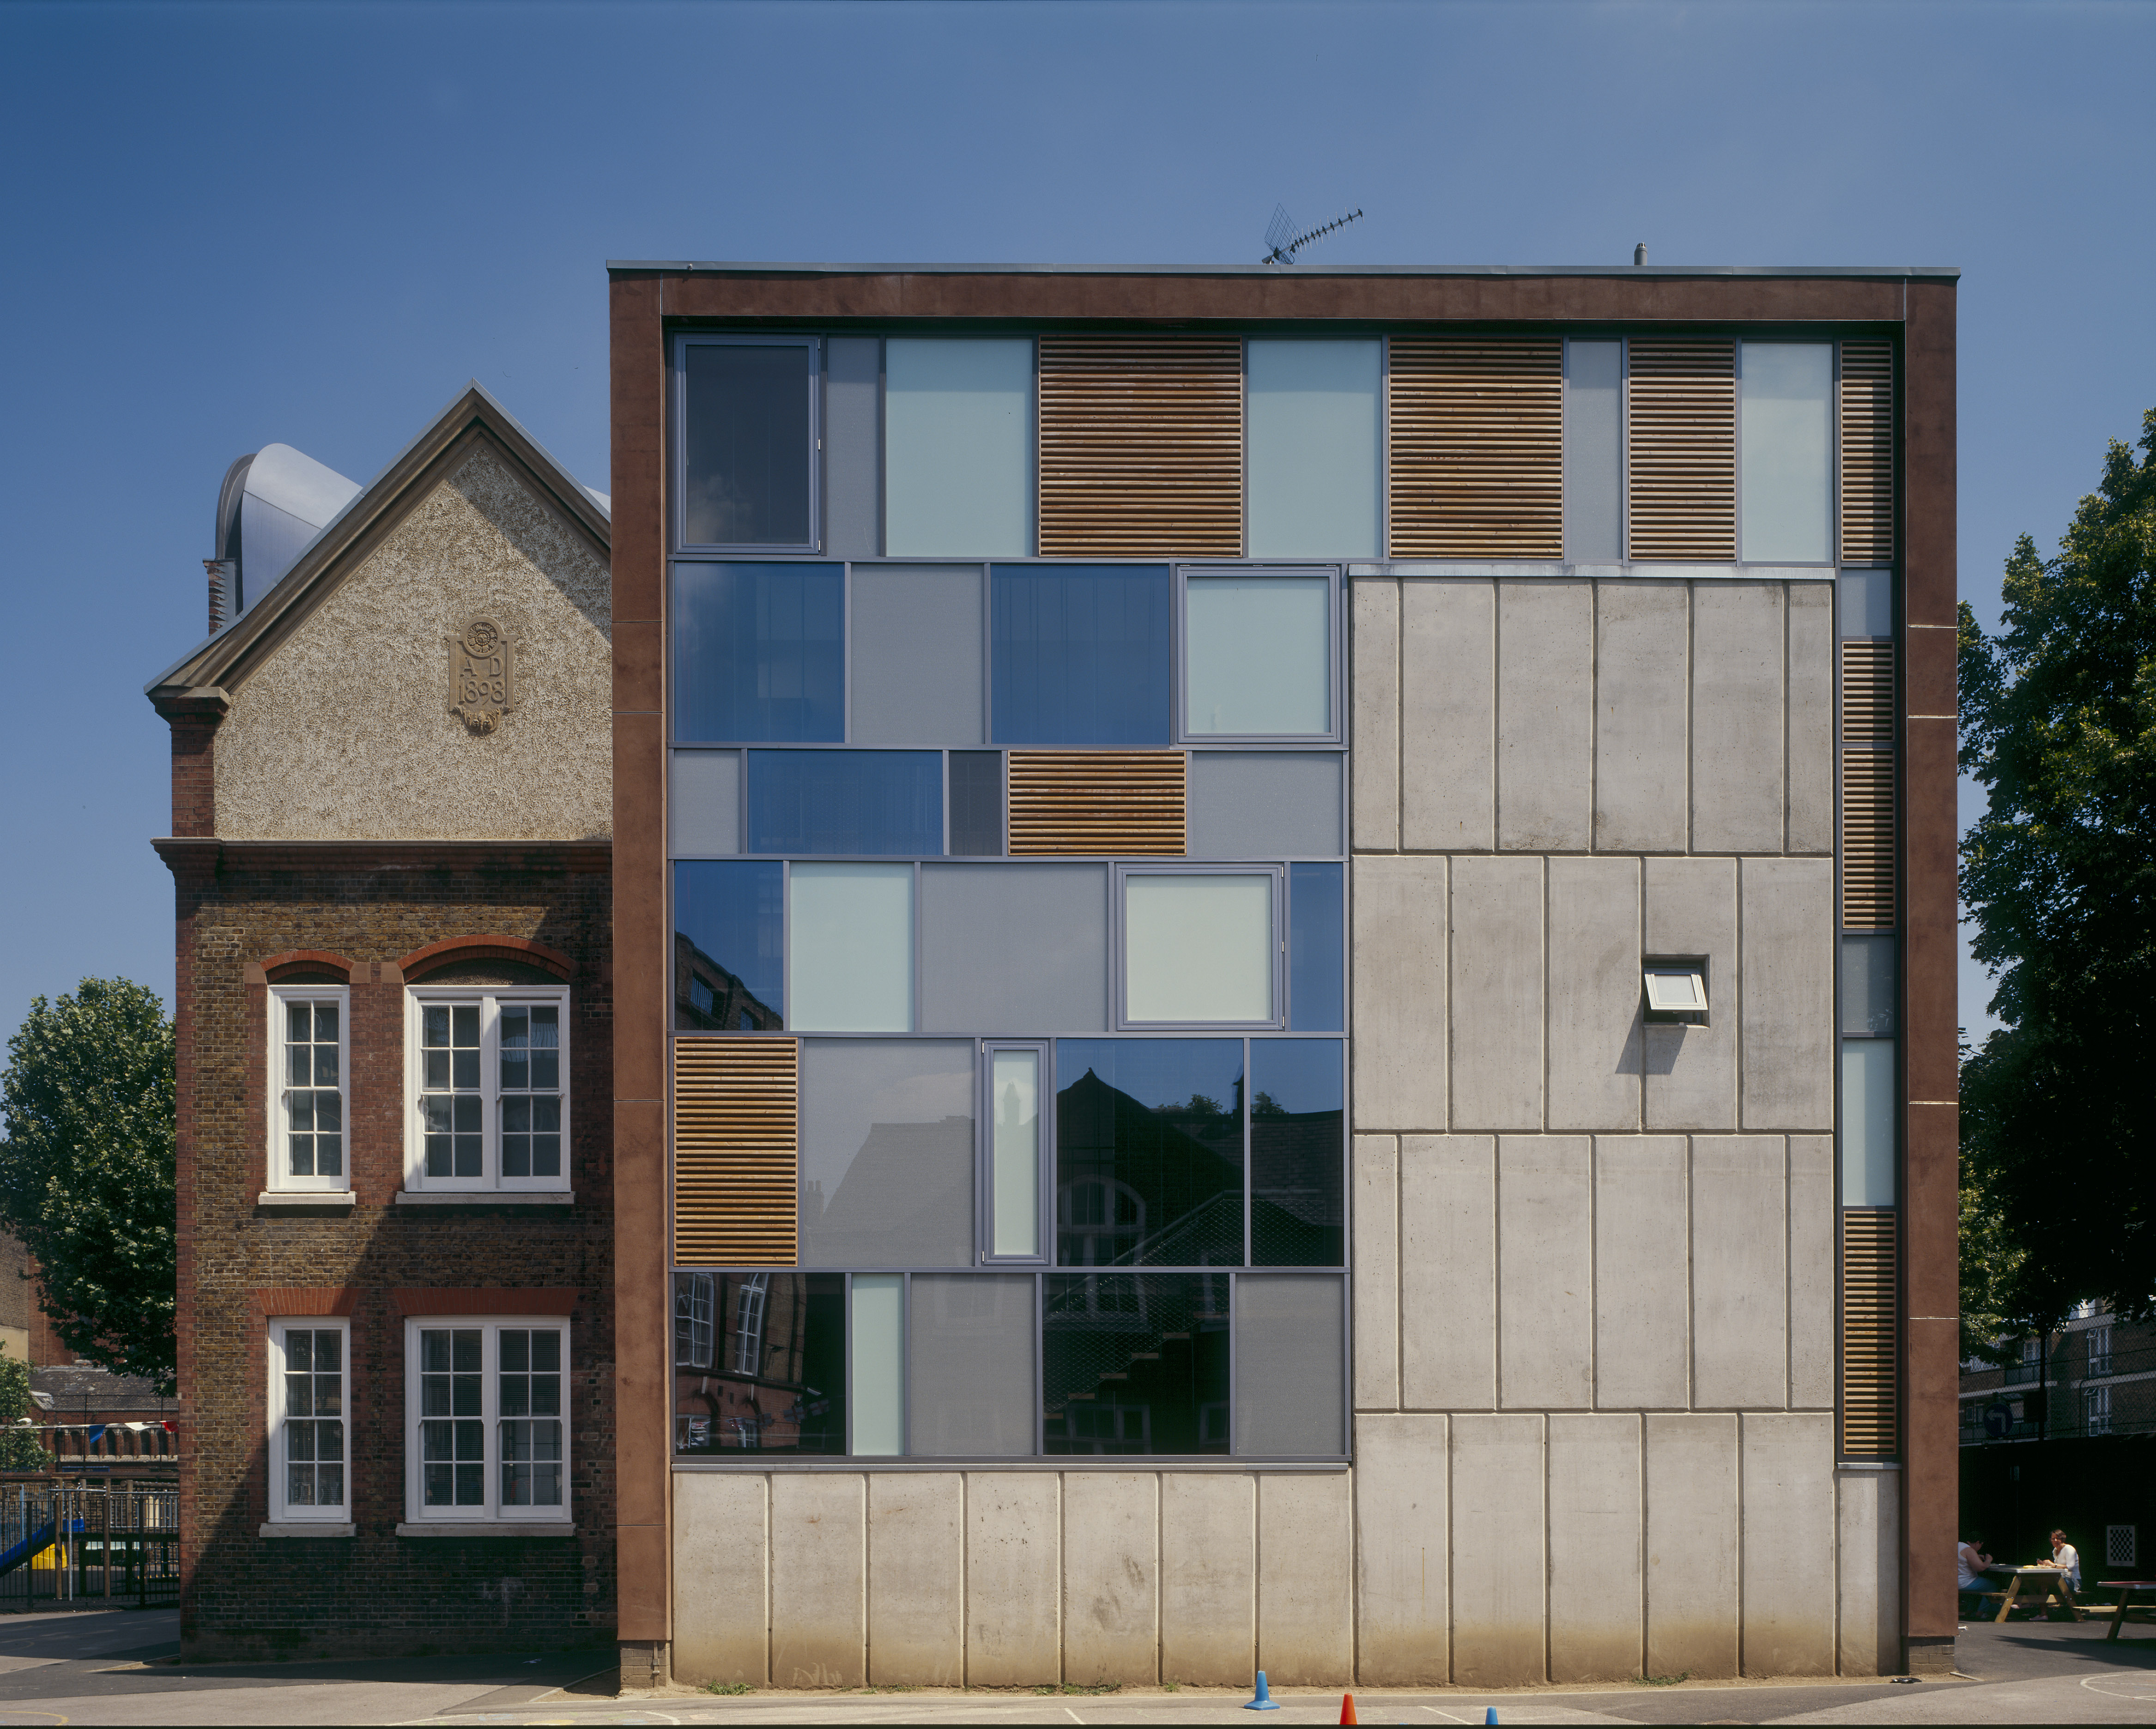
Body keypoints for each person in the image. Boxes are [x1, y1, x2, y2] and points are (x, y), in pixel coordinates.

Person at [1959, 1536, 2006, 1616]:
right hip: (1964, 1582)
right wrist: (1988, 1560)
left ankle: (1970, 1611)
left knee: (1977, 1590)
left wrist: (1976, 1557)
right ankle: (1980, 1613)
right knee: (1992, 1586)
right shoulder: (1969, 1550)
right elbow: (1981, 1568)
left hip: (1957, 1581)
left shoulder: (1959, 1546)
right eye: (1981, 1545)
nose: (1980, 1547)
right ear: (1978, 1543)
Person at [2051, 1529, 2083, 1594]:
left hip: (2072, 1580)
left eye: (2058, 1538)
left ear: (2062, 1539)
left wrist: (2054, 1565)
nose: (2055, 1541)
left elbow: (2071, 1567)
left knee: (2050, 1584)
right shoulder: (2055, 1551)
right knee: (2043, 1583)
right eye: (2053, 1539)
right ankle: (2040, 1603)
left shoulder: (2069, 1549)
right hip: (2062, 1578)